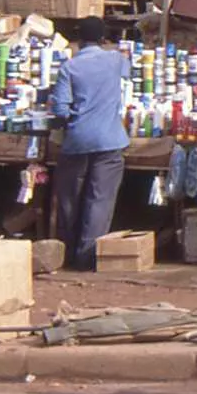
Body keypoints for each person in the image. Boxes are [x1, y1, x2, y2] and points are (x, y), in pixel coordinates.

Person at [50, 17, 129, 272]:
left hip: (77, 140)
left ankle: (67, 253)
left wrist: (74, 117)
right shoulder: (116, 60)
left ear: (78, 40)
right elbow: (128, 72)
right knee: (100, 200)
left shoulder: (69, 67)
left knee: (69, 200)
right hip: (109, 141)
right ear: (103, 38)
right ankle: (88, 256)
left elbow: (60, 110)